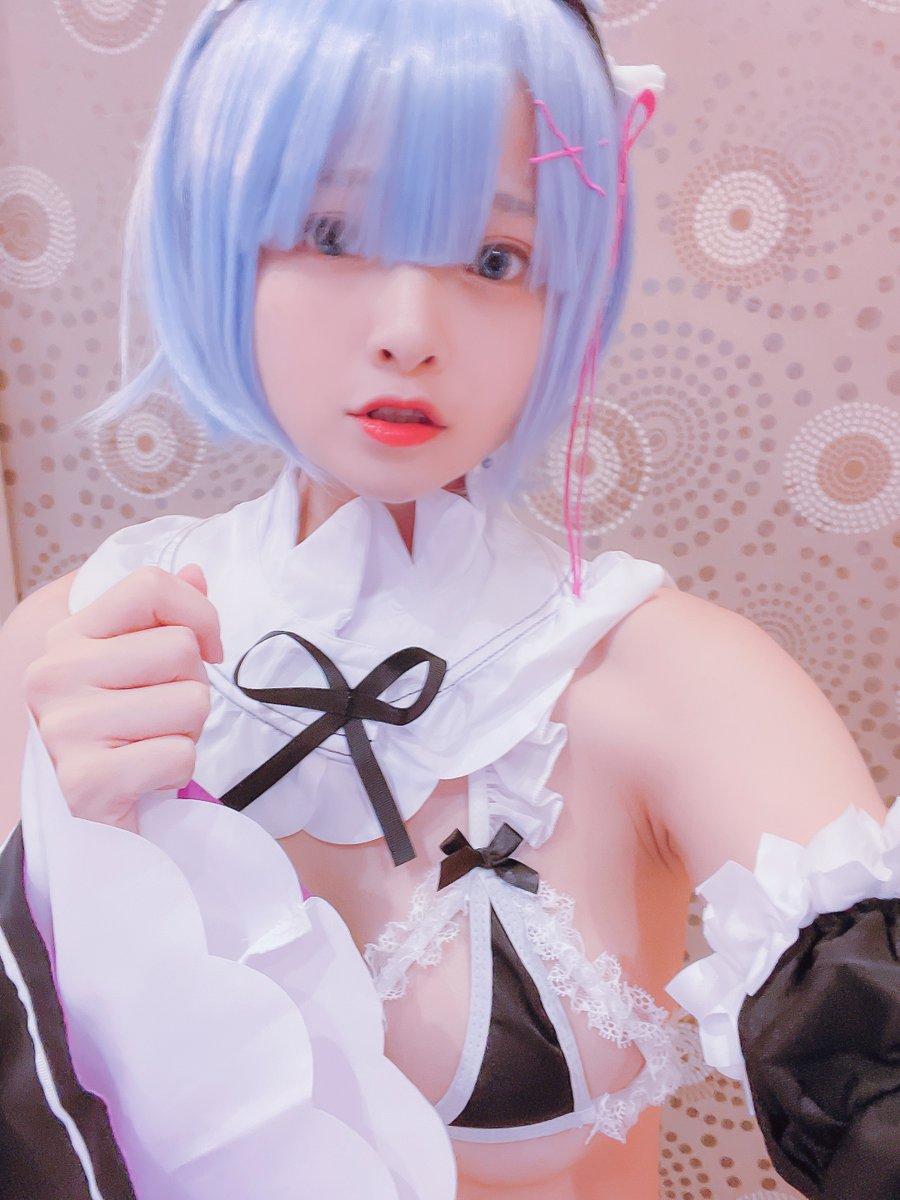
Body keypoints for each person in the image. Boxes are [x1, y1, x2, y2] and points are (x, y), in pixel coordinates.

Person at [0, 1, 896, 1197]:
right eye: (332, 233)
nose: (410, 333)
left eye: (494, 259)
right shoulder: (69, 654)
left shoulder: (668, 680)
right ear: (216, 230)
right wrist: (55, 864)